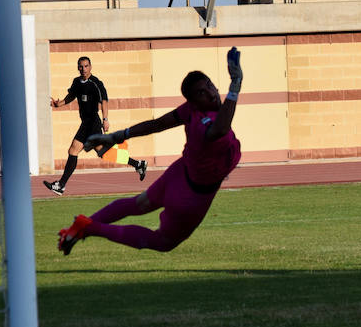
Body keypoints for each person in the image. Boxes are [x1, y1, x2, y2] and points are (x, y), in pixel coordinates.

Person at [57, 47, 243, 255]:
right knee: (162, 242)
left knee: (138, 203)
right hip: (192, 195)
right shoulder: (203, 121)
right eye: (202, 92)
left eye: (210, 85)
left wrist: (115, 136)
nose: (211, 93)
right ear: (193, 102)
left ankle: (79, 226)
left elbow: (156, 125)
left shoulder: (190, 110)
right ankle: (90, 228)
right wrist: (235, 84)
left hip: (179, 173)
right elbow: (220, 128)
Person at [43, 55, 147, 196]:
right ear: (78, 67)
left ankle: (61, 185)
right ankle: (138, 164)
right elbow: (71, 96)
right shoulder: (76, 82)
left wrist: (105, 119)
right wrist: (58, 104)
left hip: (93, 123)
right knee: (102, 152)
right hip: (85, 123)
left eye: (86, 66)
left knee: (75, 151)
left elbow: (104, 101)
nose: (84, 69)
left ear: (90, 67)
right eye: (81, 66)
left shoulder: (96, 83)